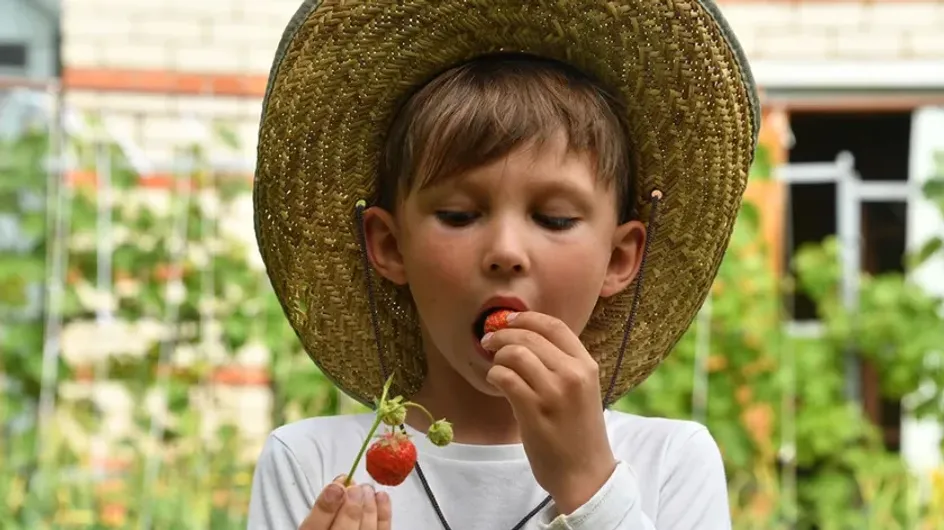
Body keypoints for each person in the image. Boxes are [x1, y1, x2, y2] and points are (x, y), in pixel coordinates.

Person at [247, 0, 759, 528]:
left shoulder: (669, 463)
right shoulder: (315, 468)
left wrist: (589, 485)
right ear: (390, 245)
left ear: (621, 256)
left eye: (555, 219)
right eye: (458, 214)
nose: (507, 252)